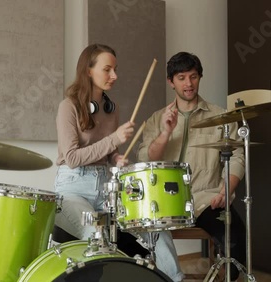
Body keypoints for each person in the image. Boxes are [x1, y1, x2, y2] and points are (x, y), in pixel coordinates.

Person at [54, 43, 183, 282]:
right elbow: (72, 158)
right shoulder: (68, 107)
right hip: (72, 189)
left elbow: (109, 152)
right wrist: (114, 139)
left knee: (155, 225)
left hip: (106, 187)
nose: (114, 75)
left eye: (115, 69)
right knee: (97, 235)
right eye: (107, 69)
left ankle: (174, 280)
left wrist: (116, 158)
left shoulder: (111, 109)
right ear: (88, 71)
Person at [137, 51, 246, 281]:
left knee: (235, 237)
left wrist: (226, 191)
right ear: (171, 82)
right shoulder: (157, 119)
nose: (188, 84)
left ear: (199, 77)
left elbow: (236, 156)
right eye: (182, 77)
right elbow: (145, 158)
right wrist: (166, 132)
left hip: (208, 198)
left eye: (193, 76)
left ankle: (227, 275)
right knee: (135, 238)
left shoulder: (221, 117)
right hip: (166, 202)